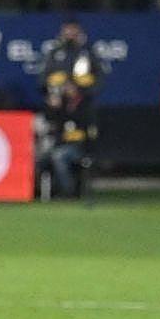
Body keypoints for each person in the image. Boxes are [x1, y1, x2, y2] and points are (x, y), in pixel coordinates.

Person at [39, 19, 105, 197]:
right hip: (59, 130)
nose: (69, 35)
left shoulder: (88, 53)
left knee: (61, 156)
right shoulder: (54, 54)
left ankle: (69, 194)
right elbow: (43, 81)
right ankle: (41, 193)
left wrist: (82, 92)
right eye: (66, 31)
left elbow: (99, 81)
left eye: (73, 31)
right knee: (43, 156)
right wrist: (53, 97)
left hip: (78, 137)